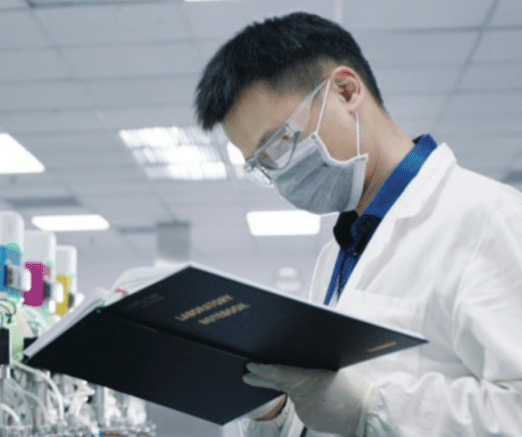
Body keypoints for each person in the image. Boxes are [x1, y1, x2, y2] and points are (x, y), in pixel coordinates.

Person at [195, 12, 522, 437]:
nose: (276, 175)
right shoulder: (339, 253)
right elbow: (329, 411)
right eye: (260, 165)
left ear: (346, 91)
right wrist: (275, 406)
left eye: (277, 144)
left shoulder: (488, 218)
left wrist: (371, 408)